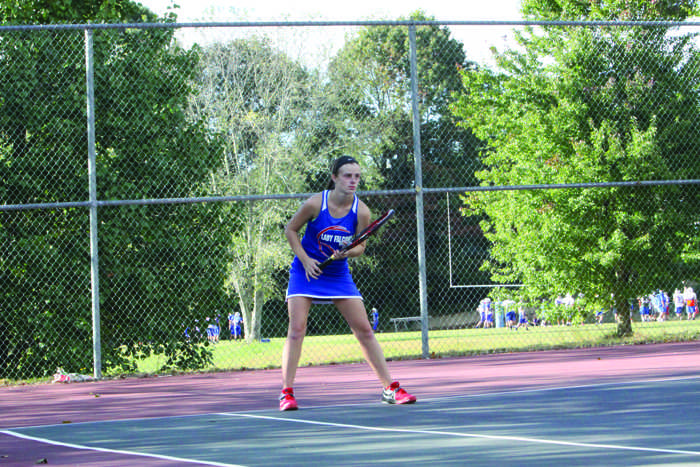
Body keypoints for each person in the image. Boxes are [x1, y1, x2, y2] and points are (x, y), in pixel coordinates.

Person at [280, 156, 416, 411]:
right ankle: (286, 393)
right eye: (347, 175)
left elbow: (361, 246)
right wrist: (307, 260)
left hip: (337, 273)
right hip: (305, 271)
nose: (352, 181)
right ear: (334, 177)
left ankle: (390, 387)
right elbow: (290, 230)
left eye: (356, 176)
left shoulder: (361, 211)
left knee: (364, 329)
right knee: (297, 329)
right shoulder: (314, 203)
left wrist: (348, 252)